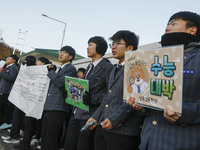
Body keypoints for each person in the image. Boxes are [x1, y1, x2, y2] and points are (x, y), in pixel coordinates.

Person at [127, 11, 200, 150]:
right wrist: (142, 105)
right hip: (148, 140)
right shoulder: (155, 59)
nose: (167, 28)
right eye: (167, 25)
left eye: (173, 24)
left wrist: (182, 111)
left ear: (192, 30)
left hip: (181, 142)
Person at [85, 30, 141, 150]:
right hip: (104, 124)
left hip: (122, 130)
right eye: (113, 44)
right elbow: (107, 97)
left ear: (130, 47)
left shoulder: (137, 68)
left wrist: (114, 120)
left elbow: (134, 100)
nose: (113, 47)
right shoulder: (115, 68)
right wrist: (95, 117)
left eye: (118, 43)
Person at [64, 36, 113, 150]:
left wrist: (93, 98)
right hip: (76, 113)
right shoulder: (89, 66)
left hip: (90, 116)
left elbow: (110, 93)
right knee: (69, 145)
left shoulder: (107, 67)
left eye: (90, 45)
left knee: (83, 146)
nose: (87, 48)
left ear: (99, 47)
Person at [41, 46, 77, 150]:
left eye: (64, 53)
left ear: (70, 57)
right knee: (44, 137)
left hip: (59, 108)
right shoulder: (60, 69)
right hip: (49, 107)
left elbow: (61, 83)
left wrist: (51, 72)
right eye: (60, 52)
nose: (60, 54)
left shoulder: (70, 68)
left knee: (50, 139)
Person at [13, 57, 52, 150]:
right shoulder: (35, 71)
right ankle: (25, 143)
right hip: (31, 101)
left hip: (39, 103)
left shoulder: (48, 72)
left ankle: (31, 141)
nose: (36, 62)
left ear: (43, 63)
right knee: (28, 122)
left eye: (38, 61)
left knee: (35, 124)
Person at [2, 55, 36, 144]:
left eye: (27, 61)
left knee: (19, 118)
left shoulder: (34, 72)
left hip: (25, 99)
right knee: (15, 117)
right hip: (19, 96)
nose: (25, 63)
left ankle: (15, 136)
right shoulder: (23, 69)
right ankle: (12, 135)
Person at [0, 54, 19, 126]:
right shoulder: (7, 66)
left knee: (1, 107)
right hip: (2, 89)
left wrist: (2, 73)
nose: (7, 59)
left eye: (9, 58)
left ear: (14, 60)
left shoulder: (13, 67)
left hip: (5, 91)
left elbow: (12, 78)